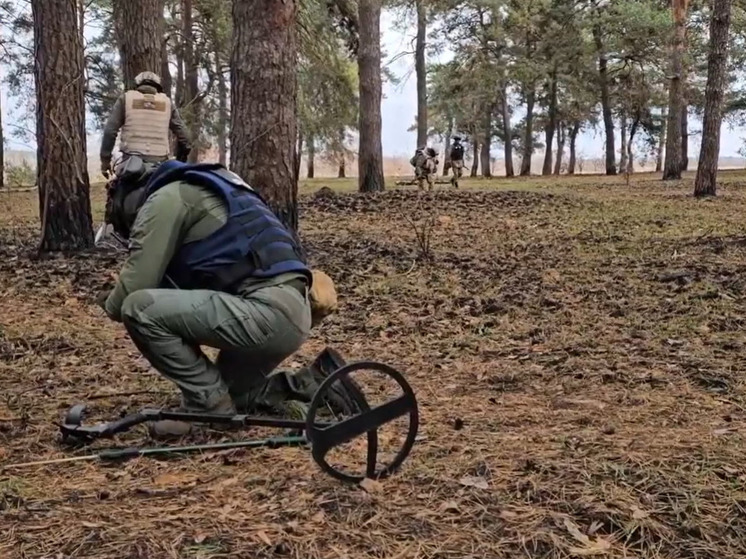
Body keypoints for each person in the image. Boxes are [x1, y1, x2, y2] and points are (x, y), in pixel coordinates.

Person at [96, 160, 338, 438]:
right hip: (294, 311)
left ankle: (207, 409)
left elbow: (130, 295)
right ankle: (319, 382)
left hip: (265, 313)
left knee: (138, 309)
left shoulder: (167, 198)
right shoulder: (212, 187)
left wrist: (107, 298)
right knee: (238, 395)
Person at [100, 71, 192, 179]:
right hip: (160, 162)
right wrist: (180, 160)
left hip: (130, 160)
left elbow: (110, 131)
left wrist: (105, 161)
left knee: (116, 190)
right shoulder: (167, 103)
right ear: (158, 87)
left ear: (137, 85)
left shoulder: (125, 99)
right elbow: (185, 138)